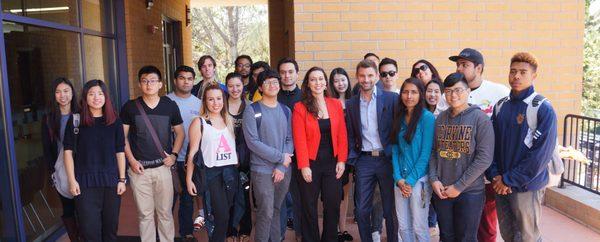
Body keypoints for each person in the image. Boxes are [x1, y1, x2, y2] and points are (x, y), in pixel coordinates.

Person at [487, 52, 557, 242]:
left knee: (528, 236)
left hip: (526, 185)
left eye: (523, 72)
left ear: (534, 75)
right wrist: (496, 176)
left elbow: (539, 156)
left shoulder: (542, 107)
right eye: (513, 71)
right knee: (508, 234)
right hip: (501, 183)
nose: (516, 76)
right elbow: (491, 145)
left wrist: (509, 180)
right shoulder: (501, 106)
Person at [449, 48, 510, 242]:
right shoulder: (452, 94)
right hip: (458, 172)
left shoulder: (499, 92)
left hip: (487, 172)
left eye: (464, 65)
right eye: (458, 64)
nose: (459, 68)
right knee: (461, 226)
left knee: (486, 225)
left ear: (479, 68)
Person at [120, 65, 184, 242]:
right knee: (145, 215)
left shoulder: (170, 106)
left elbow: (180, 133)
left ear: (161, 84)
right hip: (139, 170)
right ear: (140, 84)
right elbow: (122, 137)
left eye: (153, 81)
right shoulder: (130, 107)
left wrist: (174, 155)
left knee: (165, 214)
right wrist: (132, 161)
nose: (149, 85)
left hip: (163, 168)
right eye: (145, 81)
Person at [429, 72, 495, 242]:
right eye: (449, 91)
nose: (453, 95)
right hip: (442, 191)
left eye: (458, 90)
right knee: (446, 236)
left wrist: (458, 187)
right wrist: (434, 179)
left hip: (469, 192)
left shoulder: (480, 119)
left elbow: (484, 158)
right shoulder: (440, 119)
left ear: (468, 91)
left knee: (466, 238)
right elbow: (434, 152)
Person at [63, 79, 126, 242]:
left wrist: (122, 179)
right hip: (84, 184)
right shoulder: (76, 121)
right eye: (91, 94)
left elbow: (120, 151)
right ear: (85, 98)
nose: (96, 97)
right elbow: (68, 152)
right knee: (90, 232)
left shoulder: (115, 121)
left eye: (100, 93)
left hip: (111, 183)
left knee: (110, 230)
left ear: (106, 97)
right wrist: (72, 181)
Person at [292, 66, 348, 242]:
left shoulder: (335, 104)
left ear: (325, 83)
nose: (317, 82)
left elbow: (342, 134)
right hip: (310, 163)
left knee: (332, 205)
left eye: (320, 79)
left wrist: (342, 160)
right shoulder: (300, 107)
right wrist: (304, 166)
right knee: (309, 206)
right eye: (313, 79)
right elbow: (299, 139)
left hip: (333, 162)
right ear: (308, 84)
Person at [346, 59, 398, 242]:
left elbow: (398, 129)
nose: (366, 79)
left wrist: (395, 155)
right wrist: (354, 159)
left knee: (390, 208)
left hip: (387, 159)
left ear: (377, 76)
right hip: (365, 160)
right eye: (362, 75)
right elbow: (351, 133)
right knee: (361, 209)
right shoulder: (351, 103)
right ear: (357, 77)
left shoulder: (391, 99)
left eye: (370, 75)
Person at [242, 69, 294, 242]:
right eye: (267, 83)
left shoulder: (286, 110)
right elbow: (253, 143)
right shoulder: (252, 110)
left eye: (275, 82)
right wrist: (280, 158)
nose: (272, 85)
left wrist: (281, 166)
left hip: (283, 170)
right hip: (262, 170)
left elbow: (289, 139)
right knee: (266, 212)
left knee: (277, 209)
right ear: (260, 88)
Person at [186, 84, 239, 242]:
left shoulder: (228, 120)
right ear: (205, 102)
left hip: (230, 173)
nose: (216, 103)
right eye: (211, 99)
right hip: (211, 174)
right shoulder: (199, 122)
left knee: (226, 215)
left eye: (218, 98)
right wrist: (189, 179)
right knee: (220, 216)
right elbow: (192, 153)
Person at [391, 78, 435, 242]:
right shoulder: (399, 116)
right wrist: (398, 179)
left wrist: (409, 181)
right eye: (405, 91)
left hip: (419, 181)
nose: (409, 96)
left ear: (421, 95)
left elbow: (425, 154)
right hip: (400, 181)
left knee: (419, 226)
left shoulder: (427, 118)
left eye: (414, 92)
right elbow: (395, 150)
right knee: (403, 226)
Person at [42, 78, 80, 241]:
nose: (62, 95)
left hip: (81, 167)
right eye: (58, 92)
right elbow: (47, 148)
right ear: (54, 95)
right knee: (69, 208)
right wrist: (52, 171)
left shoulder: (81, 115)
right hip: (61, 170)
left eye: (66, 91)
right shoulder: (49, 119)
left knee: (85, 208)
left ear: (72, 93)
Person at [166, 65, 202, 242]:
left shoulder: (199, 103)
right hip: (169, 160)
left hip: (190, 160)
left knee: (188, 198)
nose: (186, 81)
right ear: (175, 80)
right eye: (182, 78)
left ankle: (186, 233)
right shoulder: (165, 102)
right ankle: (164, 234)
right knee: (167, 201)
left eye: (189, 78)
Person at [277, 57, 303, 241]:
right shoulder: (273, 97)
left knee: (301, 199)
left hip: (302, 155)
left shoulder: (305, 97)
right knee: (279, 200)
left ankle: (301, 235)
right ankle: (279, 236)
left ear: (297, 74)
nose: (287, 76)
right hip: (279, 155)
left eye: (290, 72)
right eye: (283, 72)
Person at [225, 73, 253, 242]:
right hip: (225, 158)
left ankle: (245, 229)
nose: (234, 89)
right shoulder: (220, 106)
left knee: (245, 194)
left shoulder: (250, 107)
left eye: (238, 85)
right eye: (230, 86)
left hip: (245, 159)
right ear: (226, 87)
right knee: (228, 196)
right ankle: (230, 230)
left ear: (243, 86)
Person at [328, 67, 354, 242]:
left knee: (345, 192)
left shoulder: (354, 101)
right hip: (331, 153)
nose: (340, 83)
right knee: (332, 193)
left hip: (350, 153)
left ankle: (342, 228)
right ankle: (333, 228)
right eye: (336, 80)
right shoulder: (328, 102)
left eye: (343, 79)